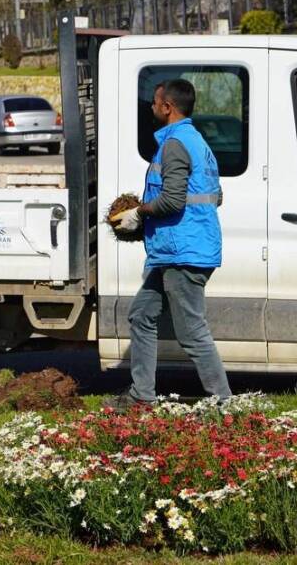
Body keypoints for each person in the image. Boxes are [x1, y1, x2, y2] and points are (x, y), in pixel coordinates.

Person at [107, 79, 231, 409]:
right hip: (177, 250)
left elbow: (173, 201)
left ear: (167, 107)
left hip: (182, 254)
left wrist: (139, 213)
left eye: (154, 102)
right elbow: (216, 195)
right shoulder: (197, 142)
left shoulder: (175, 144)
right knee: (142, 315)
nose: (151, 106)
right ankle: (141, 397)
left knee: (191, 332)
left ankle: (226, 406)